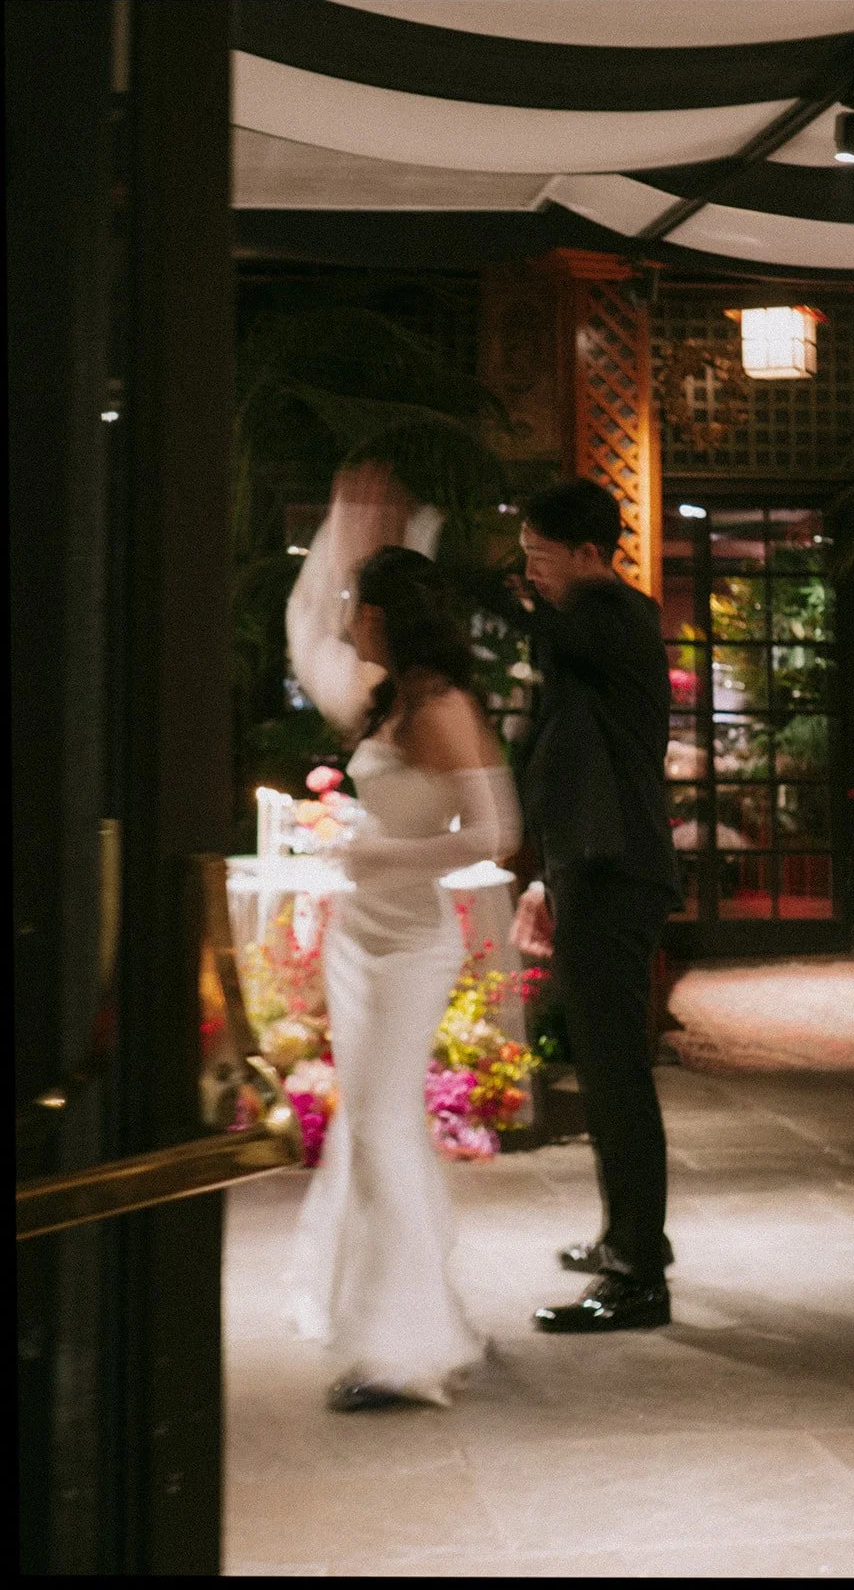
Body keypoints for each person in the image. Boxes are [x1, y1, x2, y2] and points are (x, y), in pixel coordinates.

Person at [285, 543, 522, 1411]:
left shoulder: (443, 707)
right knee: (372, 1129)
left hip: (407, 949)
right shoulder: (387, 698)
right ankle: (416, 1316)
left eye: (357, 604)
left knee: (382, 1132)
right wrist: (341, 532)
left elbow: (495, 832)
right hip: (358, 940)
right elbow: (304, 636)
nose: (347, 620)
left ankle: (401, 1351)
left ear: (383, 617)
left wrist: (379, 854)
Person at [492, 477, 682, 1333]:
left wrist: (473, 583)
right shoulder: (588, 633)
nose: (531, 572)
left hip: (618, 873)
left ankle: (637, 1276)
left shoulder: (616, 617)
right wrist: (546, 877)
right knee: (604, 1070)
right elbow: (572, 762)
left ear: (588, 555)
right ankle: (627, 1239)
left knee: (614, 1075)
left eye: (539, 557)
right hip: (594, 867)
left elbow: (544, 631)